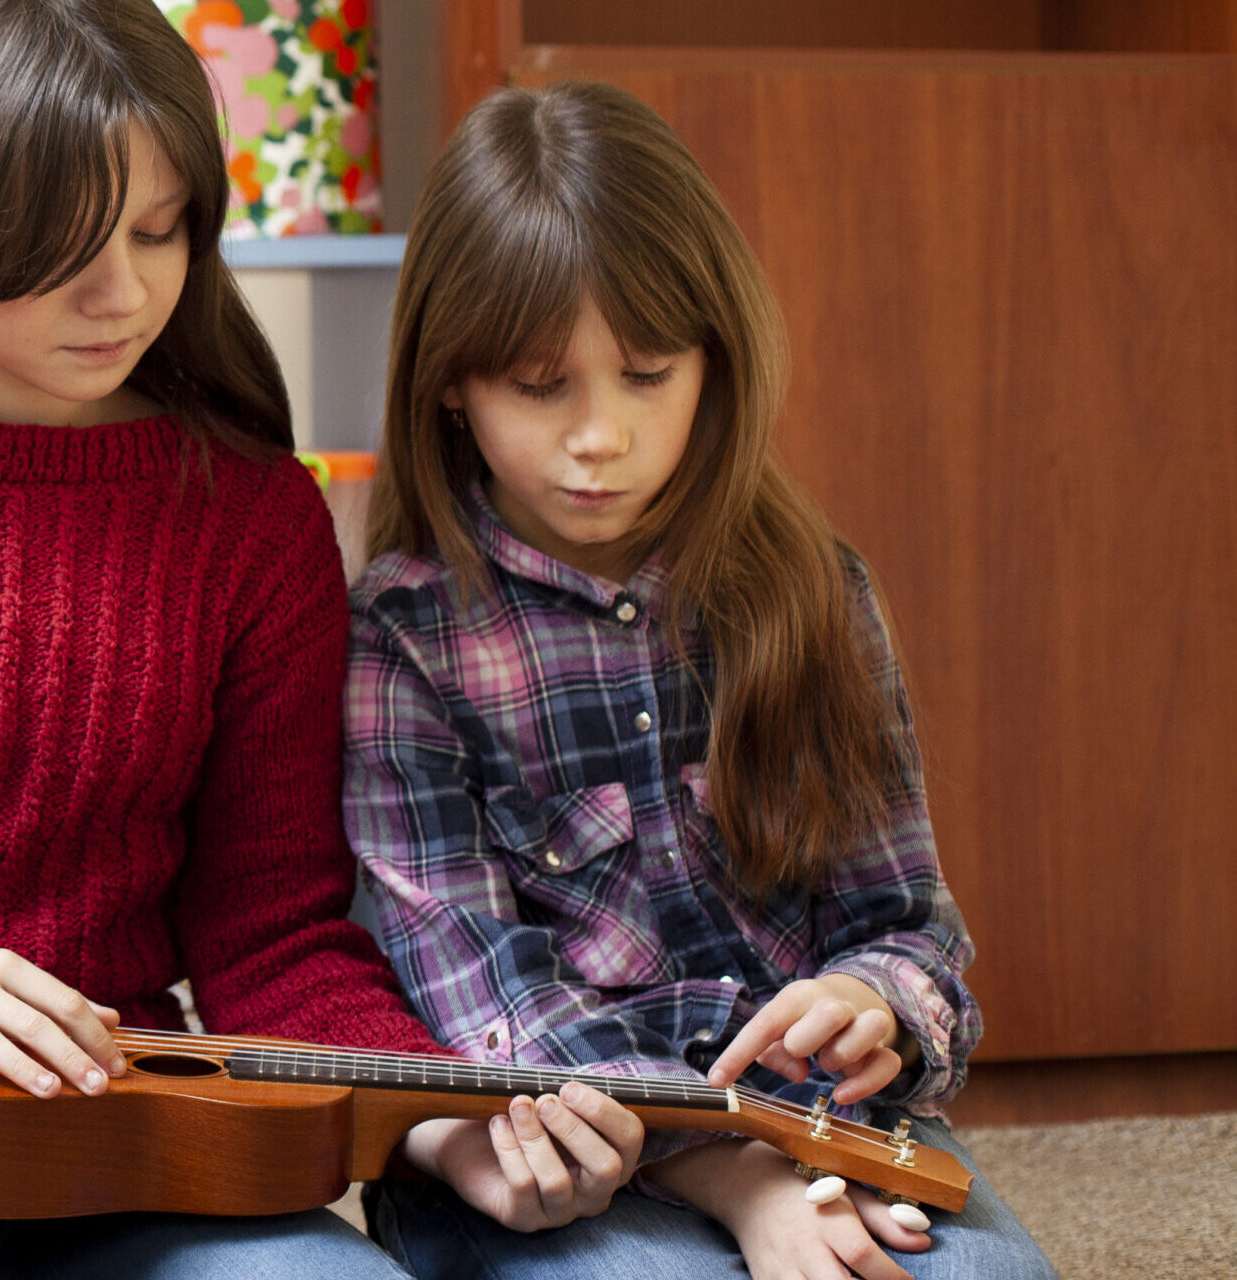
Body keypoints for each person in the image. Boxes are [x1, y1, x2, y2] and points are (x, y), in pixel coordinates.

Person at [0, 4, 642, 1276]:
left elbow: (269, 932)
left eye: (161, 231)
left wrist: (434, 1120)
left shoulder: (249, 512)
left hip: (126, 1132)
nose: (127, 292)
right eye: (62, 249)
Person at [343, 80, 1057, 1280]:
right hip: (550, 1152)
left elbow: (904, 921)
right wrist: (742, 1182)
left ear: (712, 366)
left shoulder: (811, 588)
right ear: (450, 384)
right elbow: (491, 1013)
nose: (597, 435)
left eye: (645, 372)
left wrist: (870, 1005)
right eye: (538, 383)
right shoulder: (403, 638)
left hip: (825, 1123)